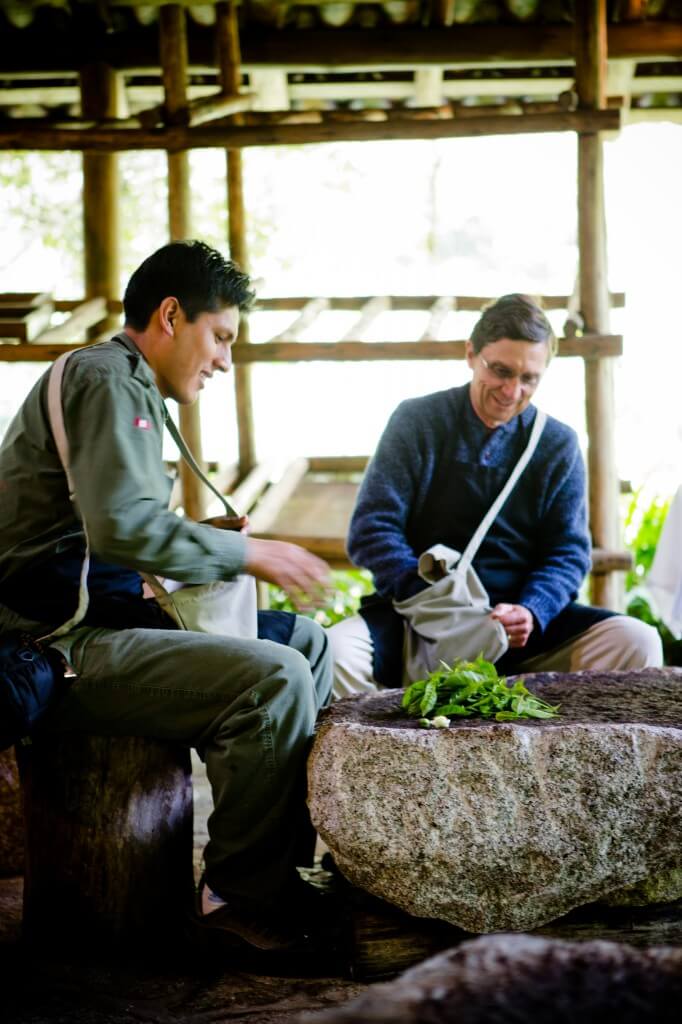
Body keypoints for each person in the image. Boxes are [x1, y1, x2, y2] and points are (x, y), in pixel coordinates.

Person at [0, 240, 335, 954]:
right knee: (272, 678)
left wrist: (206, 537)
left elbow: (104, 529)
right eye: (221, 337)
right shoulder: (107, 379)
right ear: (172, 315)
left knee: (306, 643)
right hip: (54, 644)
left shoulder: (126, 382)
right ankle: (236, 902)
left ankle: (276, 872)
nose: (224, 360)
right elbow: (123, 528)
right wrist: (249, 552)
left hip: (100, 615)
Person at [328, 293, 662, 698]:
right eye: (500, 371)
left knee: (635, 642)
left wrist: (532, 610)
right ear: (471, 354)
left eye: (529, 379)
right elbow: (372, 528)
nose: (511, 391)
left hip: (516, 628)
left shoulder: (557, 443)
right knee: (336, 653)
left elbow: (568, 552)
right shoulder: (416, 420)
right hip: (418, 616)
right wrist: (427, 597)